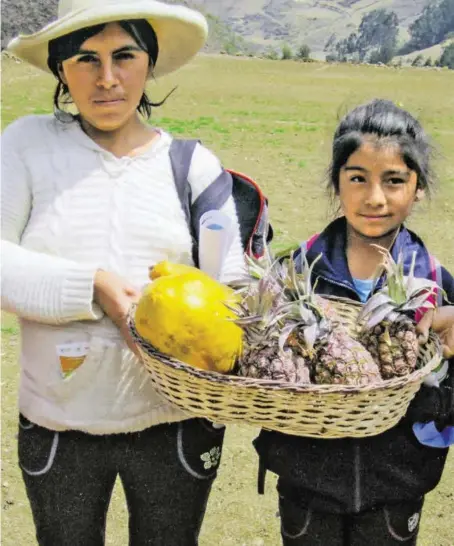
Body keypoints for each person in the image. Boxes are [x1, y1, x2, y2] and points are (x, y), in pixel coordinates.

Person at [1, 1, 246, 545]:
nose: (107, 79)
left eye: (124, 56)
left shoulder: (192, 166)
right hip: (58, 425)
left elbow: (233, 290)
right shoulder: (24, 146)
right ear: (60, 68)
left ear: (150, 63)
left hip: (175, 426)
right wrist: (94, 287)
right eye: (86, 59)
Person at [253, 99, 454, 546]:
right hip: (307, 480)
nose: (374, 198)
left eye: (394, 181)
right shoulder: (295, 274)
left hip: (398, 483)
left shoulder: (437, 283)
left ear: (418, 187)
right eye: (358, 178)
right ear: (337, 182)